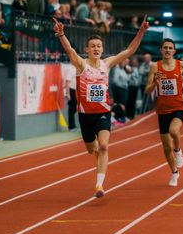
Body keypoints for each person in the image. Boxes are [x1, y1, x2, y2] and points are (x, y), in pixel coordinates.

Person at [52, 15, 149, 198]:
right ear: (87, 49)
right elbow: (69, 50)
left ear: (102, 49)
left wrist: (141, 31)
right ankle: (98, 160)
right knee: (92, 149)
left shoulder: (107, 63)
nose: (96, 49)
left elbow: (129, 51)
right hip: (85, 115)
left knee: (104, 146)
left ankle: (99, 185)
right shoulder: (81, 65)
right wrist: (62, 35)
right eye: (93, 46)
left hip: (103, 113)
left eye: (99, 46)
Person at [145, 39, 183, 187]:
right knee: (166, 147)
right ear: (161, 50)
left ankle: (178, 150)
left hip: (178, 107)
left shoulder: (180, 65)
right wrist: (155, 82)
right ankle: (174, 173)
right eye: (165, 48)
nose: (168, 50)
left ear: (174, 51)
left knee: (174, 131)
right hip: (162, 110)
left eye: (170, 48)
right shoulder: (155, 67)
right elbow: (147, 90)